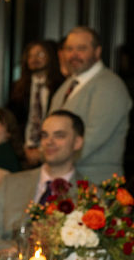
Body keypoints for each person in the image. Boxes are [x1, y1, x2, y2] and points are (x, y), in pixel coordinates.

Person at [0, 110, 85, 247]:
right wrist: (16, 253)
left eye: (59, 136)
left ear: (77, 142)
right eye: (44, 135)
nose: (49, 142)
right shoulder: (10, 184)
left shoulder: (89, 196)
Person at [48, 25, 132, 183]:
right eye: (69, 49)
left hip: (97, 184)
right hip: (65, 179)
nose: (74, 55)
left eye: (81, 49)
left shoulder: (110, 85)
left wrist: (50, 156)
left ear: (97, 52)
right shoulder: (68, 85)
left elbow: (93, 137)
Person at [7, 40, 64, 166]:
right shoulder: (18, 87)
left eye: (40, 54)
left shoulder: (60, 86)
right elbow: (13, 121)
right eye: (30, 56)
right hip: (23, 151)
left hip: (52, 150)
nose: (34, 59)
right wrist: (22, 149)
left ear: (51, 57)